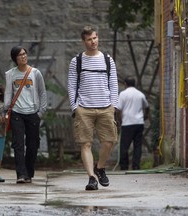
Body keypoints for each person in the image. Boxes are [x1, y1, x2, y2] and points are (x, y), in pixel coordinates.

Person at [68, 25, 119, 190]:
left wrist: (114, 105)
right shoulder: (77, 61)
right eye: (89, 39)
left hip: (105, 107)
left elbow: (113, 83)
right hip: (84, 108)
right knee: (86, 144)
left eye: (95, 38)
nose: (93, 42)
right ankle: (91, 178)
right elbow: (71, 85)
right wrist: (75, 107)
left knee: (109, 141)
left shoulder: (107, 59)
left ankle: (100, 167)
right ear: (84, 41)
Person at [4, 46, 47, 184]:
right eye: (20, 55)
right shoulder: (10, 74)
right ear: (15, 59)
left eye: (24, 54)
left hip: (33, 113)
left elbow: (42, 92)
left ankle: (28, 171)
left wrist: (41, 112)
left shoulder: (35, 73)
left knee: (32, 145)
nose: (23, 56)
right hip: (17, 113)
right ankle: (21, 174)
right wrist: (5, 110)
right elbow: (8, 93)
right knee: (18, 144)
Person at [116, 77, 150, 170]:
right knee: (137, 145)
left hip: (127, 123)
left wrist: (119, 120)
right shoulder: (140, 94)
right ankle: (136, 165)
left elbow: (118, 109)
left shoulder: (123, 94)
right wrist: (145, 116)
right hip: (139, 122)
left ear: (125, 84)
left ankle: (124, 166)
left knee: (124, 146)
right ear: (135, 84)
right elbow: (147, 107)